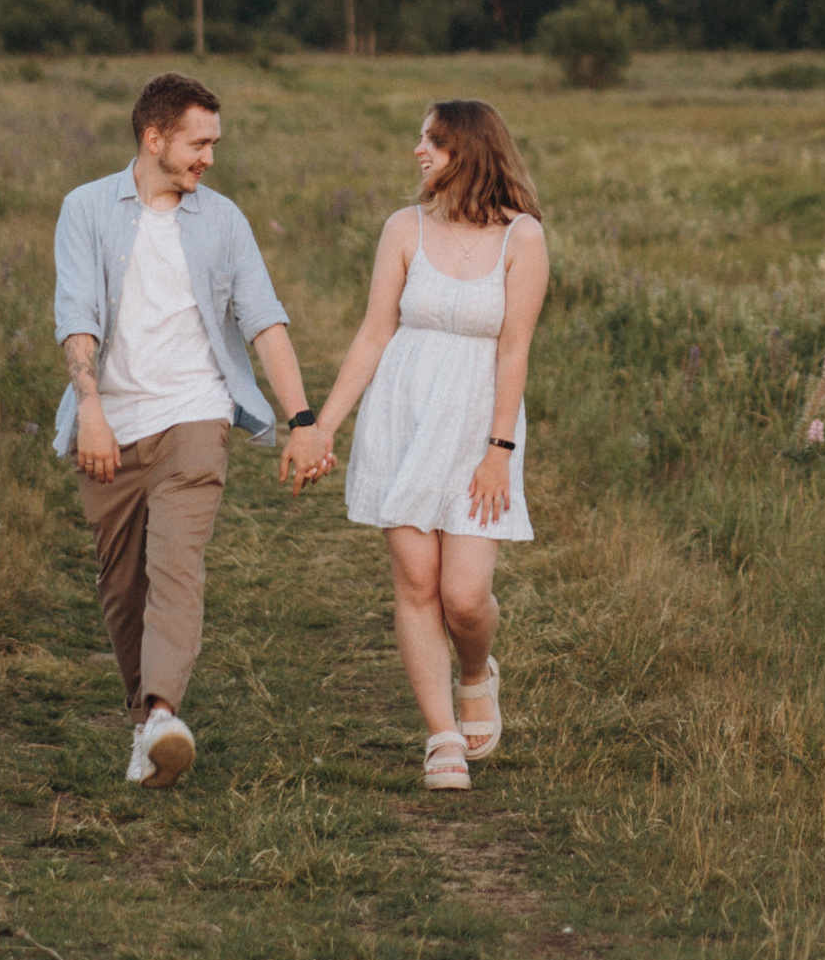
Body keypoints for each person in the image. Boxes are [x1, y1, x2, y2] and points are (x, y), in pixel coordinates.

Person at [53, 68, 316, 785]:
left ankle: (165, 712)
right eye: (198, 144)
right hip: (110, 424)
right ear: (154, 138)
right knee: (122, 589)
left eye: (214, 145)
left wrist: (302, 419)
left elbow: (265, 324)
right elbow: (76, 316)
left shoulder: (223, 221)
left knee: (176, 566)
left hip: (196, 418)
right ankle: (147, 730)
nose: (208, 158)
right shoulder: (86, 210)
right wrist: (91, 413)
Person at [292, 98, 547, 791]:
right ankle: (441, 738)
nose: (418, 151)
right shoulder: (403, 228)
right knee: (416, 581)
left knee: (464, 597)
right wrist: (325, 425)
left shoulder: (522, 238)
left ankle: (475, 673)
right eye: (420, 139)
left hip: (476, 425)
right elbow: (375, 333)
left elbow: (515, 351)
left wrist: (499, 449)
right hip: (400, 417)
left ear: (469, 149)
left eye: (432, 140)